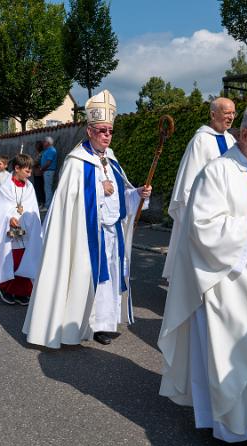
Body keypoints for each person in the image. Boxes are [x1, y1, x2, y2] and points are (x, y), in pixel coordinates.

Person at [158, 104, 247, 446]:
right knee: (232, 360)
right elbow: (202, 228)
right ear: (245, 136)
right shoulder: (218, 173)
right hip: (226, 283)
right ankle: (234, 436)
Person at [23, 89, 152, 348]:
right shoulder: (76, 161)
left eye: (110, 131)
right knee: (89, 278)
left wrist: (137, 193)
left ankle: (103, 323)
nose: (107, 135)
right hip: (85, 234)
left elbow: (120, 193)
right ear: (90, 131)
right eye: (102, 130)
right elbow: (72, 202)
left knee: (109, 278)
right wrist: (99, 187)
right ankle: (83, 324)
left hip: (111, 231)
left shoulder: (111, 158)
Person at [163, 97, 236, 280]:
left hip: (225, 214)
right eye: (227, 113)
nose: (231, 117)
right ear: (213, 114)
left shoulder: (231, 140)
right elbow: (189, 182)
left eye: (234, 113)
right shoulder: (200, 141)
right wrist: (192, 217)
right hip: (204, 214)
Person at [0, 154, 42, 306]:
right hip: (9, 232)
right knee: (11, 261)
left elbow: (32, 207)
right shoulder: (5, 188)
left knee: (25, 259)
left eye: (30, 171)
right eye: (27, 171)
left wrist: (27, 222)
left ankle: (23, 291)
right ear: (17, 168)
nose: (30, 174)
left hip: (25, 231)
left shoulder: (29, 187)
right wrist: (9, 218)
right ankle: (5, 287)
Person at [40, 136, 57, 210]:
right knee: (47, 188)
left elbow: (48, 162)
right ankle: (48, 205)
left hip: (48, 171)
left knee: (48, 189)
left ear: (48, 143)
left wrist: (41, 169)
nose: (43, 143)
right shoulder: (47, 150)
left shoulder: (51, 150)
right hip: (47, 171)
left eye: (44, 142)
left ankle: (48, 206)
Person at [32, 140, 45, 208]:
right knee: (37, 189)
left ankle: (41, 203)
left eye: (36, 146)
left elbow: (35, 163)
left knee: (39, 189)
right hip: (36, 173)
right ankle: (40, 202)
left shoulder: (41, 154)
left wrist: (33, 163)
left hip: (39, 174)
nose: (35, 147)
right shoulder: (39, 154)